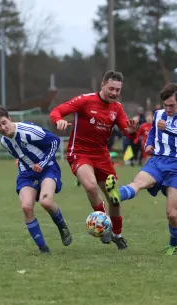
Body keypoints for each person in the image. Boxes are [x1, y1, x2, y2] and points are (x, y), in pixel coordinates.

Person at [49, 70, 138, 250]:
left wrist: (132, 129)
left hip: (102, 156)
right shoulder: (85, 100)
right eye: (111, 88)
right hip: (80, 153)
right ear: (102, 85)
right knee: (90, 186)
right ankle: (104, 225)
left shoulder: (117, 108)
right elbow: (57, 111)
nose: (114, 93)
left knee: (113, 198)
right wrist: (58, 120)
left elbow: (127, 131)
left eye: (117, 90)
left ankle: (117, 234)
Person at [105, 83, 177, 256]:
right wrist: (148, 144)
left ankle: (173, 244)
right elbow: (153, 132)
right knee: (138, 182)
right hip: (158, 161)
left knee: (171, 214)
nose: (167, 109)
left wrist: (167, 128)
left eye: (172, 105)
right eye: (165, 105)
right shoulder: (158, 114)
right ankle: (116, 194)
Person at [0, 105, 72, 254]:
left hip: (47, 168)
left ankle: (62, 226)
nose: (2, 127)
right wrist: (28, 166)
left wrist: (42, 163)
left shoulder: (28, 130)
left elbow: (55, 142)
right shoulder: (4, 141)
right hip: (27, 173)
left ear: (10, 119)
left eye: (4, 122)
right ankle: (43, 248)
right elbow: (20, 155)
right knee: (26, 207)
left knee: (46, 202)